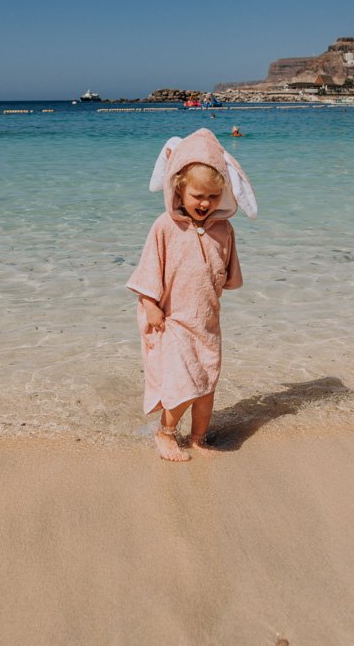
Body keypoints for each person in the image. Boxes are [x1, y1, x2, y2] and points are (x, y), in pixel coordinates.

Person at [128, 128, 256, 461]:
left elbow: (226, 273)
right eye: (198, 195)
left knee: (206, 386)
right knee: (183, 385)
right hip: (173, 321)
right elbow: (148, 270)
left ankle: (199, 438)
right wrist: (149, 303)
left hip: (208, 323)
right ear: (179, 188)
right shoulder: (165, 227)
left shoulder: (224, 230)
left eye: (213, 197)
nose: (205, 203)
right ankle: (165, 433)